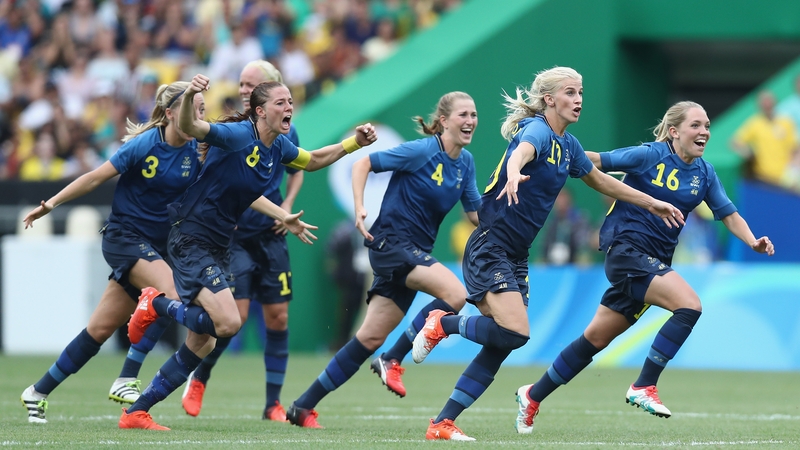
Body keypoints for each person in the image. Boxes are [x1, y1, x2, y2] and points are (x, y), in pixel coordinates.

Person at [410, 66, 684, 441]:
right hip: (491, 245)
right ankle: (443, 323)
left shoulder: (569, 146)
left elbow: (601, 180)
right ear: (549, 100)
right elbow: (523, 151)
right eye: (570, 93)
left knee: (502, 341)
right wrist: (512, 170)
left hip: (515, 254)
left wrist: (652, 203)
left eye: (582, 93)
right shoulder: (537, 129)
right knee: (516, 332)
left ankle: (442, 423)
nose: (578, 100)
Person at [118, 73, 377, 430]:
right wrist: (193, 92)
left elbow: (313, 160)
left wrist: (353, 144)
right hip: (191, 236)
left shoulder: (278, 147)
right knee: (228, 322)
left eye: (290, 101)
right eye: (280, 103)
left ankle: (137, 411)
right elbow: (193, 126)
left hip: (218, 243)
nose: (289, 107)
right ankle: (156, 304)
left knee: (203, 342)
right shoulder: (238, 135)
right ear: (259, 111)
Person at [513, 101, 775, 433]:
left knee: (594, 339)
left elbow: (729, 214)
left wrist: (752, 241)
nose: (704, 132)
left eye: (707, 125)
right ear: (674, 131)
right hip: (626, 251)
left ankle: (532, 396)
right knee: (689, 305)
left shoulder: (705, 174)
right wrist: (550, 154)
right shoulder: (649, 155)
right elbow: (596, 160)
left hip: (653, 263)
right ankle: (644, 385)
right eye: (696, 125)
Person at [286, 91, 481, 429]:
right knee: (456, 294)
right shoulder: (422, 150)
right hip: (391, 243)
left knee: (368, 339)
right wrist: (360, 208)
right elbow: (363, 163)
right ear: (444, 120)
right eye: (463, 114)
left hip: (412, 252)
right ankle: (393, 357)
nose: (470, 121)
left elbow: (476, 215)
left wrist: (513, 210)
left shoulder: (466, 163)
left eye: (474, 115)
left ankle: (302, 407)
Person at [19, 81, 206, 423]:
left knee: (99, 330)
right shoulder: (145, 145)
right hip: (124, 238)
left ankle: (38, 391)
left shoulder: (198, 150)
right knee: (173, 294)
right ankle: (127, 377)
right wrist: (52, 204)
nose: (201, 115)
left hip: (155, 248)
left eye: (203, 109)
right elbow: (94, 177)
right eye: (194, 108)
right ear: (169, 114)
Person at [181, 61, 305, 422]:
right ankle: (200, 377)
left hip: (271, 232)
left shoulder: (286, 132)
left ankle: (272, 404)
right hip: (233, 234)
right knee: (236, 315)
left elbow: (299, 171)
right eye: (242, 83)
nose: (245, 90)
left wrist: (287, 206)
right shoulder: (234, 130)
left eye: (253, 84)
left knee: (279, 317)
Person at [729, 90, 798, 186]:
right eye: (764, 103)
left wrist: (793, 170)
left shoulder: (786, 122)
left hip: (785, 177)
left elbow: (794, 147)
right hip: (763, 176)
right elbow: (735, 141)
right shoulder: (755, 123)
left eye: (769, 102)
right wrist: (747, 152)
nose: (767, 105)